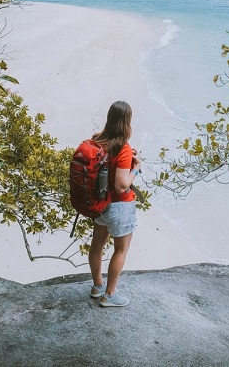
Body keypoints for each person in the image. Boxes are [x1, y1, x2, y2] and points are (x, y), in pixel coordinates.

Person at [88, 100, 142, 307]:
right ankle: (109, 295)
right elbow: (121, 185)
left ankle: (97, 286)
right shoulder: (123, 148)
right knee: (120, 250)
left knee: (97, 246)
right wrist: (135, 168)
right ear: (127, 121)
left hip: (100, 203)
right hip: (119, 206)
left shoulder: (96, 141)